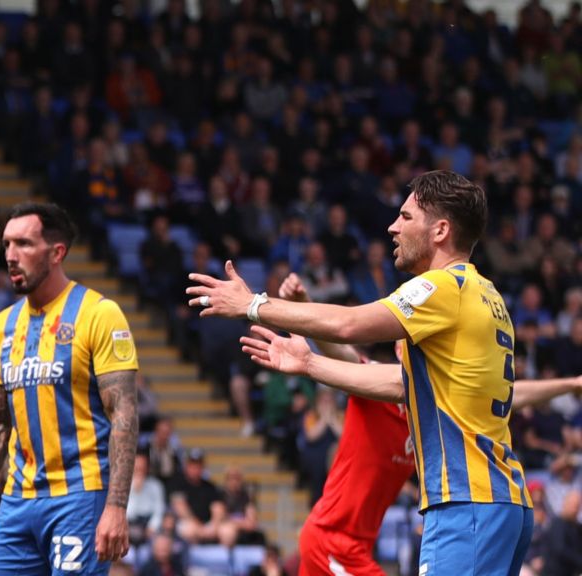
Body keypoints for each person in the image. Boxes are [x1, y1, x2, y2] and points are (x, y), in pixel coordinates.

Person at [189, 170, 531, 574]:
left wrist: (252, 304)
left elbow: (349, 324)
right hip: (504, 501)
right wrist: (310, 363)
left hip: (467, 503)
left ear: (440, 230)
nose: (392, 226)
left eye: (405, 217)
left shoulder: (444, 287)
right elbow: (396, 383)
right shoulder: (489, 296)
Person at [275, 273, 582, 575]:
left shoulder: (436, 407)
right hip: (331, 541)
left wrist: (570, 383)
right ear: (400, 351)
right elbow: (339, 349)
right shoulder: (373, 383)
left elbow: (512, 394)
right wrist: (305, 303)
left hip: (358, 545)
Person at [0, 203, 139, 574]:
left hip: (80, 498)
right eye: (6, 245)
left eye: (23, 244)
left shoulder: (99, 314)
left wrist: (116, 506)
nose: (10, 256)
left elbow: (124, 414)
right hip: (18, 499)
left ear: (56, 253)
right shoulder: (2, 326)